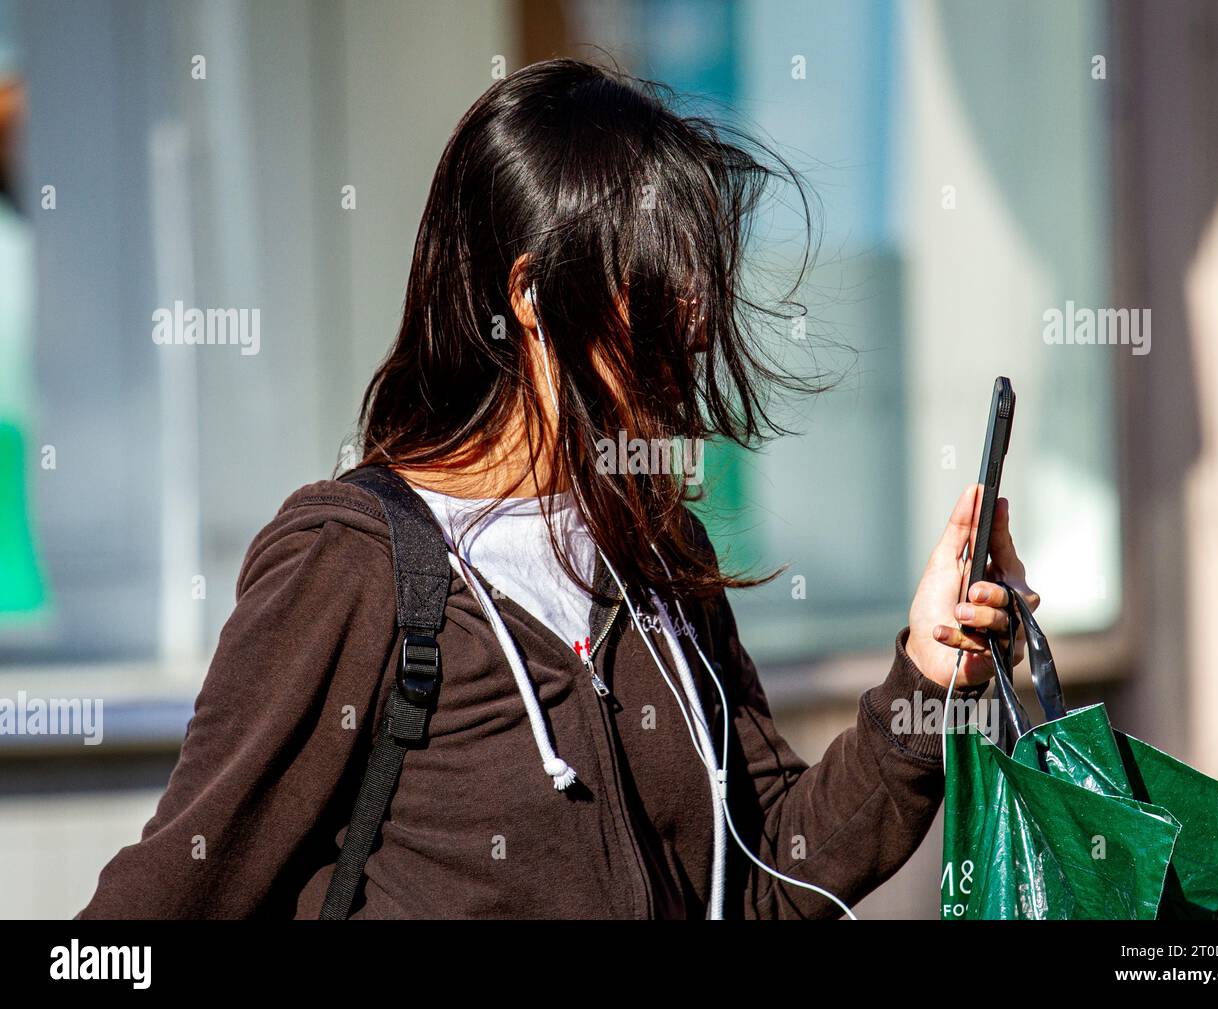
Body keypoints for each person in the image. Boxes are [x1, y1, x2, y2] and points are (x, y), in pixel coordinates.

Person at [81, 59, 1037, 919]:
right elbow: (170, 893)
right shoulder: (353, 564)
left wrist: (928, 673)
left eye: (700, 282)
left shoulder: (658, 556)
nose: (697, 323)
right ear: (532, 296)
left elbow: (770, 875)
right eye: (660, 282)